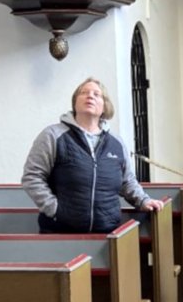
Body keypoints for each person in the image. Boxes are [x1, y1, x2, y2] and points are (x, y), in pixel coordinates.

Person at [22, 77, 163, 234]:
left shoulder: (116, 143)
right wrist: (55, 210)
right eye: (84, 92)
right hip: (60, 232)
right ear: (75, 102)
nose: (90, 96)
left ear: (104, 106)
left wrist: (144, 200)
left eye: (97, 94)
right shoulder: (53, 135)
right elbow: (32, 177)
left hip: (107, 234)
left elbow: (127, 181)